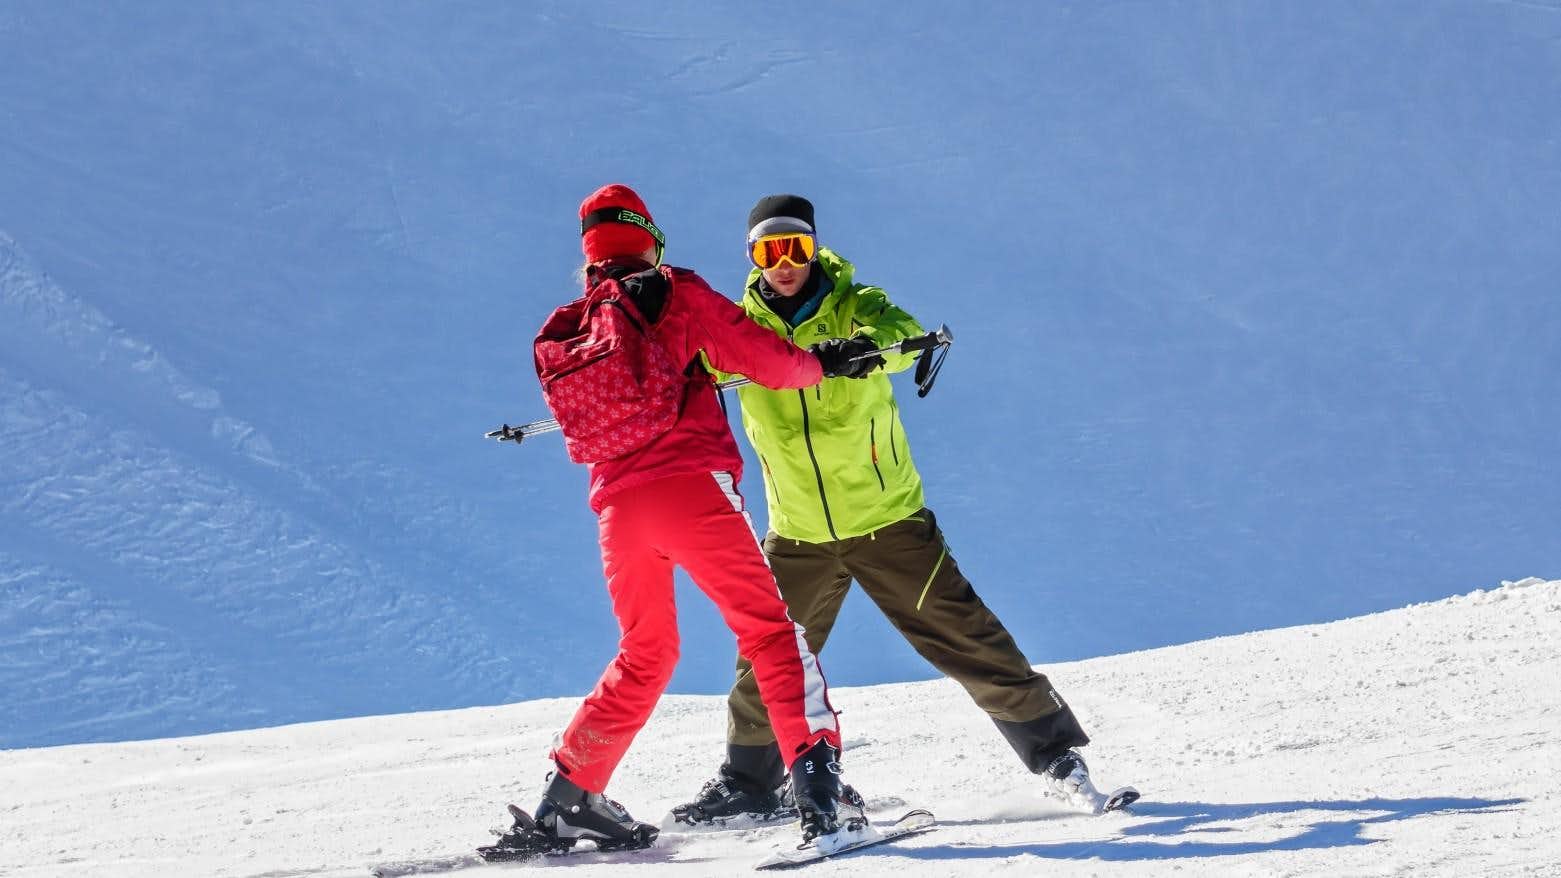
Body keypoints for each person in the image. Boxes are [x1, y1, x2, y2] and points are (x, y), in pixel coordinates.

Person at [670, 194, 1113, 827]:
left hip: (887, 520)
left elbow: (903, 337)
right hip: (798, 533)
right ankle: (750, 783)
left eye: (795, 247)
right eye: (770, 250)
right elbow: (690, 372)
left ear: (814, 249)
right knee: (767, 656)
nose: (785, 262)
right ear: (752, 257)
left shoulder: (857, 304)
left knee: (966, 635)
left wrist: (866, 349)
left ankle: (1058, 760)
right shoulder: (740, 329)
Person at [484, 185, 879, 859]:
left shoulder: (576, 324)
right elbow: (766, 359)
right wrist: (824, 362)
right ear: (649, 237)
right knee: (770, 635)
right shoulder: (674, 292)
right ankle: (821, 800)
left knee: (646, 652)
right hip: (690, 489)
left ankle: (567, 799)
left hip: (616, 508)